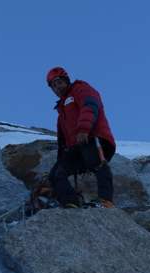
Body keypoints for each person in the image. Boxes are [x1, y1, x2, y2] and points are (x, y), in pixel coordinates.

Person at [46, 66, 117, 208]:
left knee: (97, 162)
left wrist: (84, 129)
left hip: (93, 136)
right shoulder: (61, 109)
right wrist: (61, 159)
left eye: (59, 82)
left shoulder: (80, 89)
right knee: (56, 173)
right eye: (53, 85)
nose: (57, 88)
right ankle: (70, 203)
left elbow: (90, 105)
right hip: (76, 147)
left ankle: (106, 200)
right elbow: (62, 140)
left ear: (67, 81)